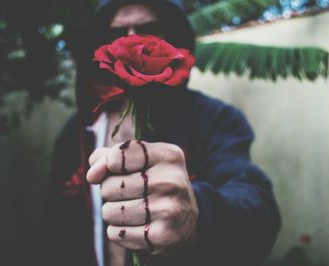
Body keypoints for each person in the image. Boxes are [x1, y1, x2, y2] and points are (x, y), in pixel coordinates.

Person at [38, 0, 281, 265]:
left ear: (172, 38)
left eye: (147, 29)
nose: (132, 41)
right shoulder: (74, 134)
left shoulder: (215, 120)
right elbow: (54, 231)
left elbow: (260, 213)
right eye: (117, 33)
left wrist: (197, 214)